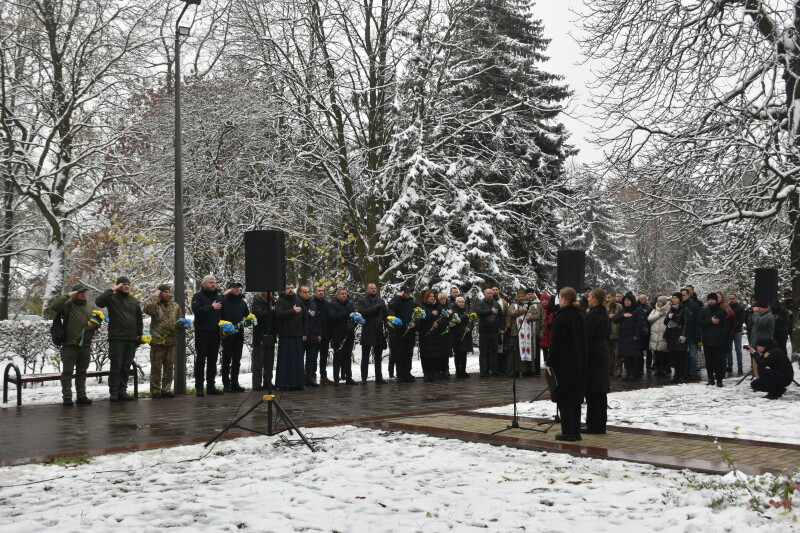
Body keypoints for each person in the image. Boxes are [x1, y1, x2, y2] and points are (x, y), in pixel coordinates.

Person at [545, 287, 588, 442]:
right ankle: (576, 431)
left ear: (563, 299)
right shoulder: (579, 315)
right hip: (579, 362)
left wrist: (550, 361)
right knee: (576, 398)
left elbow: (557, 343)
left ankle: (568, 432)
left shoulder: (562, 317)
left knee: (565, 399)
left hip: (565, 363)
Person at [47, 282, 97, 406]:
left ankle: (81, 396)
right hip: (70, 344)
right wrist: (67, 295)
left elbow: (98, 320)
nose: (82, 294)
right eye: (79, 292)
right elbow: (54, 306)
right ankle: (67, 397)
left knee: (82, 372)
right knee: (67, 372)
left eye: (84, 292)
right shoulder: (67, 305)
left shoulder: (90, 306)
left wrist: (95, 324)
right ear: (74, 294)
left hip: (85, 345)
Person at [96, 276, 143, 402]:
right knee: (116, 365)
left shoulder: (133, 300)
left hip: (131, 338)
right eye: (123, 284)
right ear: (118, 286)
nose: (127, 286)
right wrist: (112, 289)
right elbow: (99, 302)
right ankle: (114, 391)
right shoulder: (112, 298)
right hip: (117, 337)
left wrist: (139, 334)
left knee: (126, 365)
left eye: (128, 284)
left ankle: (122, 390)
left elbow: (139, 318)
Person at [143, 284, 183, 398]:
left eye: (169, 292)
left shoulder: (175, 306)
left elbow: (180, 318)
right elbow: (147, 309)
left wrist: (181, 326)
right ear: (160, 293)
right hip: (158, 340)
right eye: (165, 292)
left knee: (169, 367)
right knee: (156, 367)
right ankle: (155, 390)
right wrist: (154, 297)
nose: (168, 294)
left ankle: (166, 389)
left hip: (171, 340)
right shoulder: (155, 305)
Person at [190, 275, 224, 396]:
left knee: (213, 361)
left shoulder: (219, 297)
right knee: (201, 360)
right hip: (202, 332)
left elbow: (224, 314)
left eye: (214, 282)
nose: (213, 284)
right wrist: (211, 307)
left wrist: (225, 328)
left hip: (215, 333)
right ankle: (199, 387)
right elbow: (197, 310)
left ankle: (211, 386)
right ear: (203, 284)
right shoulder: (198, 296)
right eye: (210, 282)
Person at [583, 288, 610, 434]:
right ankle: (600, 424)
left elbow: (586, 337)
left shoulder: (593, 315)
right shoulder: (602, 313)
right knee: (600, 392)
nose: (588, 299)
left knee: (593, 391)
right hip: (600, 351)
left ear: (595, 299)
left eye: (590, 297)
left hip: (593, 354)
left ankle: (594, 426)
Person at [274, 283, 308, 390]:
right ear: (283, 290)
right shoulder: (280, 301)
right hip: (286, 335)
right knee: (286, 361)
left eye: (291, 288)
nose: (290, 290)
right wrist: (293, 311)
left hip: (298, 334)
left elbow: (305, 318)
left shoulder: (298, 301)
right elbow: (278, 315)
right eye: (287, 288)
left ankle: (298, 383)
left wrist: (305, 333)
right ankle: (284, 384)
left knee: (297, 360)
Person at [357, 283, 389, 384]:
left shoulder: (381, 301)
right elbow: (361, 312)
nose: (373, 290)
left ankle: (379, 377)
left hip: (379, 331)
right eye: (371, 288)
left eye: (375, 288)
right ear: (367, 290)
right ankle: (364, 378)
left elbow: (385, 316)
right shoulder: (362, 301)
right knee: (365, 357)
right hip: (367, 331)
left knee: (378, 357)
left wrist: (387, 329)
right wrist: (374, 308)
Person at [220, 281, 249, 393]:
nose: (237, 289)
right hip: (226, 334)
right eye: (234, 288)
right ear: (229, 289)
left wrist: (248, 321)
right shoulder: (224, 301)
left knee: (237, 360)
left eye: (238, 288)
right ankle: (226, 384)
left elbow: (247, 316)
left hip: (238, 334)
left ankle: (235, 383)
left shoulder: (242, 302)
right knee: (227, 359)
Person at [388, 285, 417, 382]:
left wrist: (415, 324)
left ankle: (407, 372)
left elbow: (418, 315)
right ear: (402, 292)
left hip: (410, 331)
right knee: (399, 353)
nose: (408, 294)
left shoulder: (412, 303)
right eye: (406, 292)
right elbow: (391, 306)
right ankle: (399, 374)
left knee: (408, 353)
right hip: (399, 331)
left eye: (409, 292)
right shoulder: (397, 302)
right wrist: (397, 296)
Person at [329, 287, 357, 385]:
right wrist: (346, 312)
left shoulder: (350, 304)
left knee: (348, 356)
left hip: (349, 334)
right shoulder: (333, 304)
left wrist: (353, 324)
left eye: (345, 293)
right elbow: (333, 316)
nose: (344, 295)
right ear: (338, 295)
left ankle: (348, 377)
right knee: (338, 357)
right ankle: (336, 378)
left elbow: (354, 317)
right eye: (342, 293)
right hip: (338, 335)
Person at [613, 292, 644, 381]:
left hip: (633, 337)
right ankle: (628, 373)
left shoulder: (637, 310)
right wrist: (623, 315)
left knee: (633, 356)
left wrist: (636, 334)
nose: (626, 302)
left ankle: (634, 374)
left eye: (628, 300)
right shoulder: (622, 311)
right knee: (626, 357)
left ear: (632, 301)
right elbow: (615, 320)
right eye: (625, 300)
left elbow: (639, 323)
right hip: (624, 337)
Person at [700, 292, 729, 387]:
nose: (710, 301)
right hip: (707, 340)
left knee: (719, 361)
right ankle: (710, 378)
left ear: (716, 300)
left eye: (712, 299)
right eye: (709, 300)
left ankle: (719, 380)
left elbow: (726, 326)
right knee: (709, 361)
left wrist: (721, 335)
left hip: (719, 341)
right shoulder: (704, 311)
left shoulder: (722, 311)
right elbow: (700, 322)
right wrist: (710, 321)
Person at [663, 292, 692, 383]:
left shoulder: (684, 309)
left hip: (680, 335)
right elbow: (666, 323)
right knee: (674, 357)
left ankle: (682, 375)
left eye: (676, 298)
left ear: (680, 299)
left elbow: (686, 324)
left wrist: (683, 335)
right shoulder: (671, 309)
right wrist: (669, 318)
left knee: (681, 357)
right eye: (673, 298)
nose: (674, 299)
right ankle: (676, 375)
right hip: (672, 335)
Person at [475, 288, 504, 377]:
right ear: (484, 294)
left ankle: (494, 370)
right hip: (484, 331)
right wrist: (490, 311)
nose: (490, 294)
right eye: (488, 293)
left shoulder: (496, 303)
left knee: (494, 352)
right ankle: (483, 371)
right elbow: (479, 312)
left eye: (491, 293)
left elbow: (501, 316)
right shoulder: (480, 303)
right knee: (484, 352)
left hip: (495, 331)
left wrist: (502, 328)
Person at [251, 291, 275, 390]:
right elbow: (260, 314)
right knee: (258, 361)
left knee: (269, 361)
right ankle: (256, 384)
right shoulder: (257, 301)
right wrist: (272, 310)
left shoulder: (272, 301)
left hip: (271, 333)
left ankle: (268, 382)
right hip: (260, 334)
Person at [298, 286, 322, 387]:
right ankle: (300, 379)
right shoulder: (298, 303)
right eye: (305, 292)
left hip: (313, 335)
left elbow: (317, 319)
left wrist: (319, 333)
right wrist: (307, 314)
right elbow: (297, 318)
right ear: (299, 293)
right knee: (300, 358)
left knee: (311, 358)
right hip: (302, 335)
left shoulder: (313, 304)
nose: (307, 294)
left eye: (308, 292)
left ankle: (310, 378)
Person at [505, 289, 531, 377]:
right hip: (515, 332)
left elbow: (536, 315)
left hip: (527, 333)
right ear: (516, 297)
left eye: (522, 296)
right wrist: (523, 310)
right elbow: (511, 313)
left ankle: (524, 370)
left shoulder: (529, 305)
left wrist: (530, 317)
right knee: (514, 353)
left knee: (523, 352)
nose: (521, 298)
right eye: (519, 296)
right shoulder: (513, 305)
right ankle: (513, 371)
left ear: (525, 297)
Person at [418, 290, 442, 382]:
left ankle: (433, 373)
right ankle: (426, 373)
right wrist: (432, 315)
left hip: (436, 335)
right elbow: (421, 321)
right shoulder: (422, 308)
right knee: (426, 355)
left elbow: (442, 318)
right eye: (430, 296)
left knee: (434, 355)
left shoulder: (438, 307)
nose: (432, 298)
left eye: (433, 296)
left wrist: (437, 323)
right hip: (426, 335)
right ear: (426, 298)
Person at [681, 288, 702, 381]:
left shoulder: (694, 306)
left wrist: (697, 333)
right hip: (682, 334)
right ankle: (684, 371)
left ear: (689, 295)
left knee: (692, 355)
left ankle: (693, 372)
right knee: (683, 354)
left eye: (684, 295)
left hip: (692, 334)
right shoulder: (679, 305)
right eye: (681, 295)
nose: (682, 297)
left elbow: (698, 320)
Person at [313, 286, 333, 385]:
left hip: (326, 334)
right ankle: (312, 376)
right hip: (315, 335)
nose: (321, 293)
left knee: (324, 356)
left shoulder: (328, 304)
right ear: (315, 292)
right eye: (319, 291)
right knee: (313, 356)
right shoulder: (312, 304)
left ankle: (323, 376)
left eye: (322, 291)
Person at [648, 296, 670, 377]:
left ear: (664, 302)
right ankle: (658, 369)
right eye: (658, 301)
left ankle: (665, 369)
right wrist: (659, 315)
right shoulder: (654, 310)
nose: (659, 303)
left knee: (664, 353)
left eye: (661, 301)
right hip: (654, 335)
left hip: (663, 334)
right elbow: (649, 319)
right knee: (656, 353)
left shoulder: (668, 311)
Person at [451, 296, 473, 377]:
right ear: (456, 303)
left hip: (465, 335)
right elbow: (455, 322)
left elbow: (471, 322)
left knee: (464, 354)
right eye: (459, 302)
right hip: (457, 335)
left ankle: (463, 370)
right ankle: (458, 371)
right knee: (457, 354)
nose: (461, 303)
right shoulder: (454, 311)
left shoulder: (466, 311)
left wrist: (470, 328)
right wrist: (464, 316)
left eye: (463, 302)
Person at [726, 293, 746, 376]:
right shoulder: (727, 308)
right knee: (729, 350)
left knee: (738, 350)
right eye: (730, 298)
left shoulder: (740, 308)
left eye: (733, 298)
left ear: (736, 299)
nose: (731, 300)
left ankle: (740, 366)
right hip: (729, 331)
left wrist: (733, 327)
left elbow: (741, 319)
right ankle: (729, 366)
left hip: (737, 331)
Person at [604, 291, 623, 377]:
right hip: (607, 332)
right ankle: (609, 369)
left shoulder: (618, 306)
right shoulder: (604, 306)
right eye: (606, 297)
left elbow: (622, 316)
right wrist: (608, 317)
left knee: (618, 353)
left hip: (617, 332)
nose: (608, 299)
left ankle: (618, 370)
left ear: (613, 297)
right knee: (609, 352)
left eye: (609, 297)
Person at [437, 292, 454, 378]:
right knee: (440, 352)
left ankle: (446, 369)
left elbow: (453, 318)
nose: (443, 300)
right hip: (440, 332)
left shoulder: (449, 306)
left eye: (444, 299)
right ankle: (440, 370)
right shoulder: (438, 307)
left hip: (448, 332)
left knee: (446, 352)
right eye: (441, 299)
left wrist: (450, 315)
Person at [538, 293, 555, 375]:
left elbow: (551, 319)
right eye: (543, 300)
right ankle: (545, 362)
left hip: (550, 331)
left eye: (546, 300)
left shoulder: (551, 309)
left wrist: (549, 322)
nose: (544, 302)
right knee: (544, 348)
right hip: (544, 331)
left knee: (550, 347)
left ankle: (550, 362)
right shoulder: (540, 309)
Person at [638, 294, 653, 375]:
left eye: (642, 298)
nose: (641, 300)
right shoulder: (637, 308)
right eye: (639, 298)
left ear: (646, 299)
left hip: (648, 332)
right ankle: (640, 368)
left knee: (648, 351)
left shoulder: (650, 308)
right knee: (640, 351)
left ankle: (648, 367)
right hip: (639, 332)